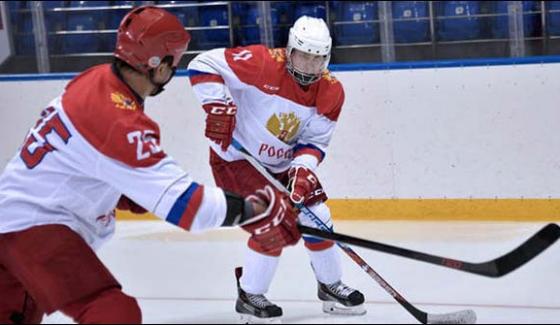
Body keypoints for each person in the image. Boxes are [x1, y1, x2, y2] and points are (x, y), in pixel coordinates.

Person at [0, 6, 301, 324]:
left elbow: (75, 156)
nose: (176, 69)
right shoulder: (119, 121)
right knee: (113, 312)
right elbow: (188, 207)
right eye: (175, 61)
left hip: (10, 222)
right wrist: (259, 209)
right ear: (159, 64)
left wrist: (121, 189)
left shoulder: (95, 80)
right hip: (34, 227)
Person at [187, 15, 366, 322]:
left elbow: (314, 143)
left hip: (282, 165)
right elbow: (202, 63)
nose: (310, 66)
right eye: (304, 57)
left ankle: (330, 284)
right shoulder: (261, 63)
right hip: (237, 159)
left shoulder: (332, 92)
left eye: (317, 60)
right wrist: (217, 105)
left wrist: (302, 171)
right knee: (271, 222)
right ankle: (250, 295)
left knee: (318, 215)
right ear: (290, 50)